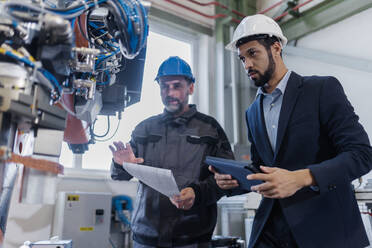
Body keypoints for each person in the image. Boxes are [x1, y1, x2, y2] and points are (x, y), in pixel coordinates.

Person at [210, 14, 372, 248]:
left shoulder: (321, 89)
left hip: (323, 227)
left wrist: (300, 178)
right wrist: (234, 181)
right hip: (272, 227)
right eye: (241, 58)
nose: (247, 65)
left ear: (276, 48)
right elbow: (261, 168)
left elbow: (361, 154)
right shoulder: (252, 112)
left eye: (252, 53)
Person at [109, 56, 234, 248]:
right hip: (146, 237)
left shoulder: (210, 129)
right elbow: (120, 176)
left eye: (177, 86)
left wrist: (197, 194)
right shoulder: (144, 129)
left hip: (193, 238)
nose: (170, 92)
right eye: (164, 87)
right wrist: (121, 164)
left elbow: (227, 179)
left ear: (190, 87)